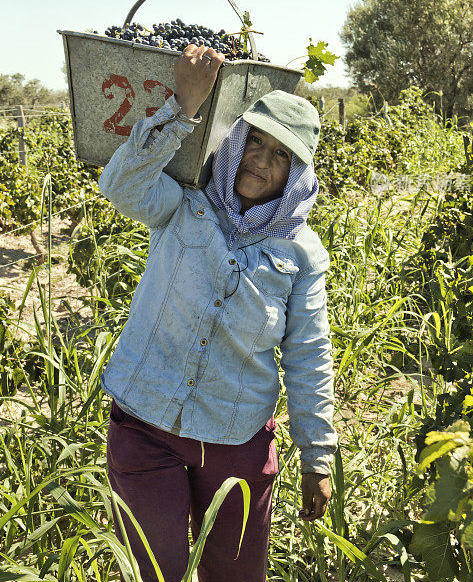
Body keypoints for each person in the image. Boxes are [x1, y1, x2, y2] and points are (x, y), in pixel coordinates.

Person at [98, 44, 338, 582]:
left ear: (295, 173)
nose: (261, 159)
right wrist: (183, 108)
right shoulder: (185, 204)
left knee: (235, 576)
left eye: (280, 154)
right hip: (146, 424)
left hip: (235, 443)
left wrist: (317, 453)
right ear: (234, 143)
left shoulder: (301, 254)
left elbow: (308, 354)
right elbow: (119, 185)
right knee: (153, 572)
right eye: (254, 141)